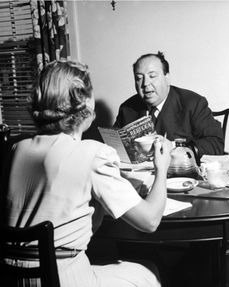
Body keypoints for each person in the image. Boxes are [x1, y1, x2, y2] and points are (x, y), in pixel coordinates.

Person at [0, 60, 171, 287]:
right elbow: (150, 221)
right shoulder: (93, 153)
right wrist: (162, 169)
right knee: (147, 272)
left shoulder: (17, 148)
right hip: (65, 278)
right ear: (83, 102)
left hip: (14, 279)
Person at [114, 52, 225, 161]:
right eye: (139, 78)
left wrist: (174, 147)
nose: (145, 83)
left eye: (152, 76)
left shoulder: (193, 103)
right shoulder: (127, 108)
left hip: (180, 175)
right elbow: (112, 146)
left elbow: (216, 143)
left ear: (167, 78)